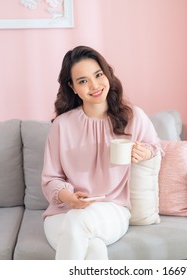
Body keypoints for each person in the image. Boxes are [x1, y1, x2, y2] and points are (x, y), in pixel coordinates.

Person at [41, 45, 162, 260]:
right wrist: (69, 198)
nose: (94, 85)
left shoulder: (133, 117)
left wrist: (144, 153)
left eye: (98, 75)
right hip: (62, 213)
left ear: (107, 74)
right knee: (93, 249)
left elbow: (155, 148)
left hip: (111, 209)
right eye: (83, 81)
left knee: (78, 222)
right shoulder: (62, 125)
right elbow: (50, 179)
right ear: (73, 87)